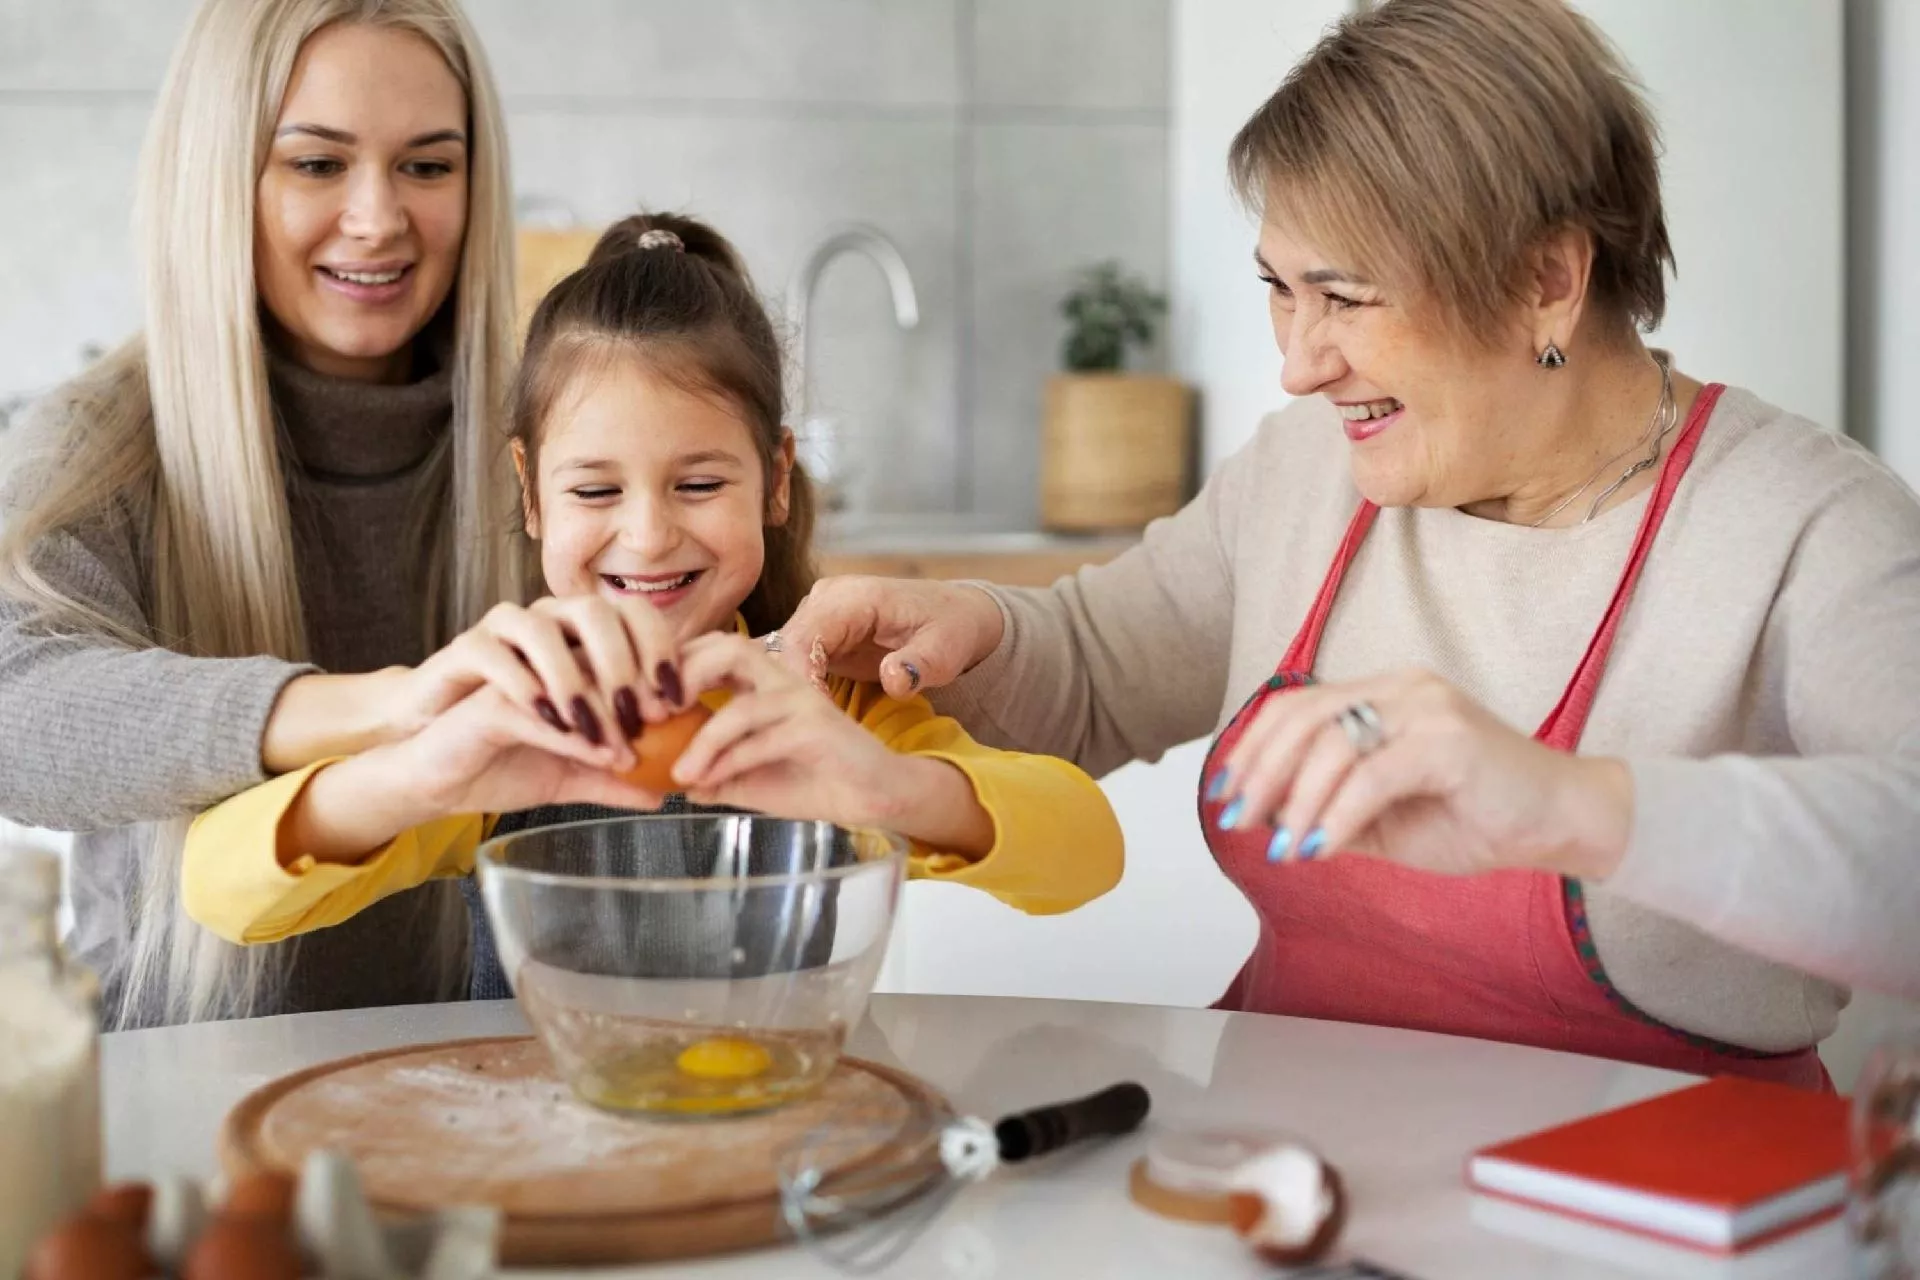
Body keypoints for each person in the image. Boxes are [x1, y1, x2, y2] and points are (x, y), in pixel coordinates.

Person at [772, 0, 1920, 1087]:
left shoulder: (1806, 525)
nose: (1299, 361)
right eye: (1281, 290)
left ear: (1546, 280)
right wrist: (973, 628)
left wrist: (1569, 802)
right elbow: (1093, 668)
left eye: (1348, 297)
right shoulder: (1306, 471)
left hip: (1666, 1219)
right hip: (1292, 1190)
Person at [178, 213, 1124, 977]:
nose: (647, 535)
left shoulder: (827, 702)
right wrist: (419, 774)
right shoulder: (510, 716)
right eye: (595, 490)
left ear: (777, 478)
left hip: (772, 1139)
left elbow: (1090, 854)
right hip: (545, 1156)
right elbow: (217, 890)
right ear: (530, 491)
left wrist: (890, 787)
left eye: (699, 485)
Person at [0, 0, 531, 1029]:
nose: (378, 217)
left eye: (427, 166)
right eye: (317, 164)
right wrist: (385, 706)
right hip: (181, 1093)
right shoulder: (97, 442)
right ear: (218, 177)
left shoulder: (549, 433)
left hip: (479, 1085)